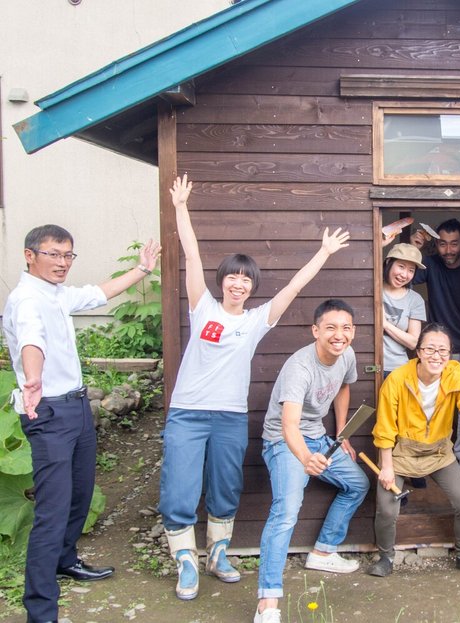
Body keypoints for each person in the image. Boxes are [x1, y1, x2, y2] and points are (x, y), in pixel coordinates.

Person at [159, 175, 350, 601]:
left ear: (251, 288)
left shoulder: (254, 322)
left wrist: (323, 252)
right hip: (187, 412)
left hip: (229, 415)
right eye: (232, 277)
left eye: (246, 280)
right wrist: (180, 207)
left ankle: (218, 553)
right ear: (222, 280)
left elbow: (294, 287)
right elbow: (191, 253)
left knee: (226, 486)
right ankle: (186, 561)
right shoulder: (202, 307)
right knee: (181, 486)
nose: (238, 284)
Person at [3, 224, 160, 623]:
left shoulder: (55, 293)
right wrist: (33, 378)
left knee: (80, 492)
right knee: (52, 511)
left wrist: (142, 269)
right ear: (29, 255)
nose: (62, 263)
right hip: (49, 411)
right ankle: (41, 609)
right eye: (53, 254)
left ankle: (64, 559)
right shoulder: (25, 300)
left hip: (75, 407)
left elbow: (99, 292)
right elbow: (30, 342)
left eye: (67, 255)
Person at [255, 299, 369, 623]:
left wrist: (342, 433)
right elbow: (289, 425)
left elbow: (344, 387)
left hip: (320, 438)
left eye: (346, 328)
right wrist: (306, 458)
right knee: (285, 513)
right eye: (331, 327)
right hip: (284, 442)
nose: (339, 334)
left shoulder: (346, 354)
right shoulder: (299, 367)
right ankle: (268, 603)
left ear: (353, 331)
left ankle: (323, 551)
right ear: (316, 330)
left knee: (358, 484)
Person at [366, 323, 460, 578]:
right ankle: (386, 557)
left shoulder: (454, 373)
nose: (437, 356)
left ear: (450, 353)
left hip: (439, 452)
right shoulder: (398, 379)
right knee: (387, 509)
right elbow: (385, 427)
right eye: (430, 349)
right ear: (418, 352)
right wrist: (387, 467)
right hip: (403, 452)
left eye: (443, 351)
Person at [411, 219, 460, 469]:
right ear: (436, 243)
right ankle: (433, 450)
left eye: (454, 243)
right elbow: (403, 278)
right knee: (432, 402)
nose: (449, 250)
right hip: (436, 350)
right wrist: (415, 248)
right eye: (443, 244)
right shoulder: (429, 264)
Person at [381, 243, 427, 377]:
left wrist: (385, 324)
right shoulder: (373, 288)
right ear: (389, 262)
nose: (404, 274)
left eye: (411, 270)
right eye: (401, 266)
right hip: (369, 364)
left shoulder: (415, 300)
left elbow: (413, 342)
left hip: (398, 369)